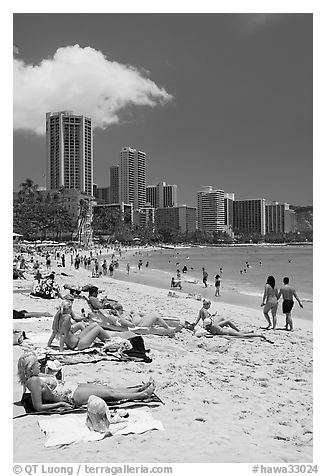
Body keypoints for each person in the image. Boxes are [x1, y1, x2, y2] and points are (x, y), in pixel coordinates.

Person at [17, 352, 156, 411]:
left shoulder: (35, 376)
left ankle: (137, 389)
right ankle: (141, 395)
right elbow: (38, 407)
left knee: (106, 389)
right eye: (36, 364)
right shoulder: (33, 381)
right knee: (109, 394)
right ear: (29, 369)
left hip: (70, 387)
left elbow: (50, 380)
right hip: (69, 396)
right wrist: (60, 403)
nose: (39, 366)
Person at [191, 300, 272, 341]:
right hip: (227, 330)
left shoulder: (211, 328)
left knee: (243, 336)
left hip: (228, 331)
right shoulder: (212, 325)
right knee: (241, 334)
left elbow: (213, 334)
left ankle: (259, 335)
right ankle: (252, 333)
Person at [47, 300, 114, 351]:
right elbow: (63, 335)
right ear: (68, 309)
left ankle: (109, 340)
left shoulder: (58, 317)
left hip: (77, 340)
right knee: (98, 328)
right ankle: (111, 342)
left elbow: (54, 332)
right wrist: (61, 350)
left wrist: (48, 345)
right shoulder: (67, 318)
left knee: (94, 324)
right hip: (78, 345)